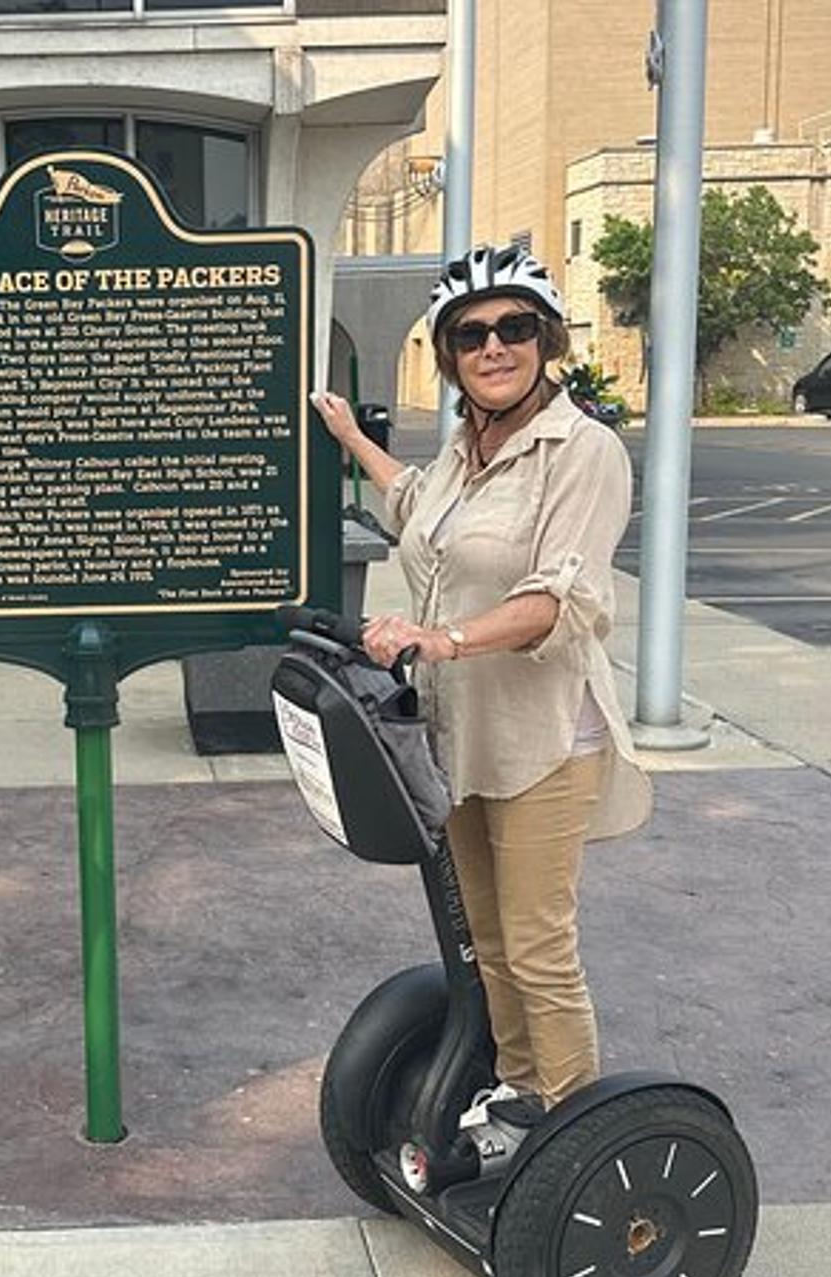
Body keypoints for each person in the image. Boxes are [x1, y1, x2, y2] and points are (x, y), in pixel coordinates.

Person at [310, 243, 652, 1113]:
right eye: (471, 334)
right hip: (459, 739)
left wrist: (440, 636)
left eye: (514, 328)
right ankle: (516, 1093)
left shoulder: (583, 452)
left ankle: (573, 1130)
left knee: (540, 947)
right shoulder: (464, 453)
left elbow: (560, 600)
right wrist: (350, 437)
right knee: (488, 944)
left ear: (546, 342)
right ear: (452, 356)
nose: (494, 347)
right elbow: (413, 506)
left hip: (542, 742)